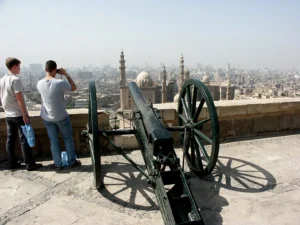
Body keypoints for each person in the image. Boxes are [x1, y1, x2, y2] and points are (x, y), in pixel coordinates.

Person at [37, 60, 81, 170]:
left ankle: (57, 163)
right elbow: (74, 87)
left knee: (53, 140)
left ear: (45, 69)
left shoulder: (39, 83)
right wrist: (66, 74)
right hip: (61, 115)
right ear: (55, 70)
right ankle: (71, 161)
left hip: (47, 116)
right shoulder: (59, 83)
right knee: (68, 138)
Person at [0, 57, 42, 171]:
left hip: (8, 114)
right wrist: (24, 114)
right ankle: (29, 163)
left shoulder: (2, 79)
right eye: (18, 66)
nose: (20, 69)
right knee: (25, 138)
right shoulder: (15, 80)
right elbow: (19, 99)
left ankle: (12, 162)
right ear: (14, 66)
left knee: (10, 139)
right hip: (18, 114)